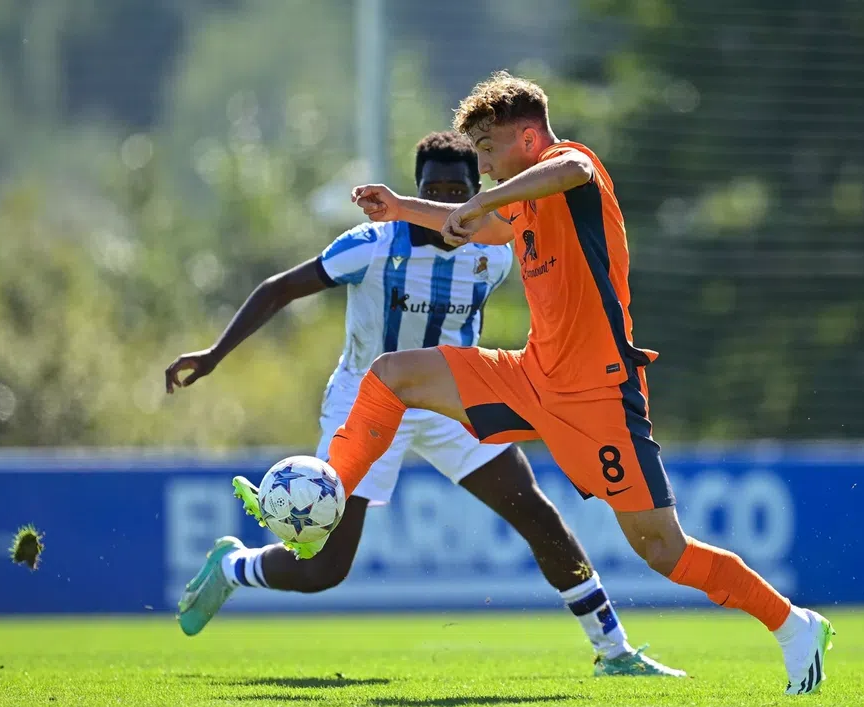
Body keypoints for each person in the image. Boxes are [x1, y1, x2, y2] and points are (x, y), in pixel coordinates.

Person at [334, 73, 835, 695]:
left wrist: (485, 201)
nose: (482, 166)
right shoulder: (513, 201)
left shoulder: (572, 166)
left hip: (599, 396)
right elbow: (477, 224)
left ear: (526, 136)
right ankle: (331, 493)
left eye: (488, 150)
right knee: (393, 374)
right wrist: (404, 208)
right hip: (532, 376)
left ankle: (793, 625)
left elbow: (564, 172)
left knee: (662, 551)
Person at [166, 130, 684, 678]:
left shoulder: (495, 252)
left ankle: (614, 651)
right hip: (365, 399)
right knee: (325, 569)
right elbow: (279, 288)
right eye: (430, 191)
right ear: (415, 191)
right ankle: (235, 567)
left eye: (453, 191)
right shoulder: (372, 244)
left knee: (537, 515)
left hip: (452, 397)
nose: (441, 204)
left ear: (474, 191)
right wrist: (216, 354)